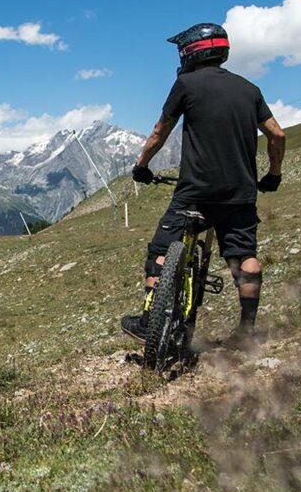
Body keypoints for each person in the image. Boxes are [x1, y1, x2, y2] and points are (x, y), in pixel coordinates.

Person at [120, 23, 287, 350]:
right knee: (244, 255)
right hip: (240, 194)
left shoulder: (186, 84)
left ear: (189, 53)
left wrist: (141, 167)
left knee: (160, 250)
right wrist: (274, 174)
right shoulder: (249, 89)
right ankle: (247, 331)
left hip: (195, 192)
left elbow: (159, 131)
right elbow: (277, 134)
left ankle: (146, 321)